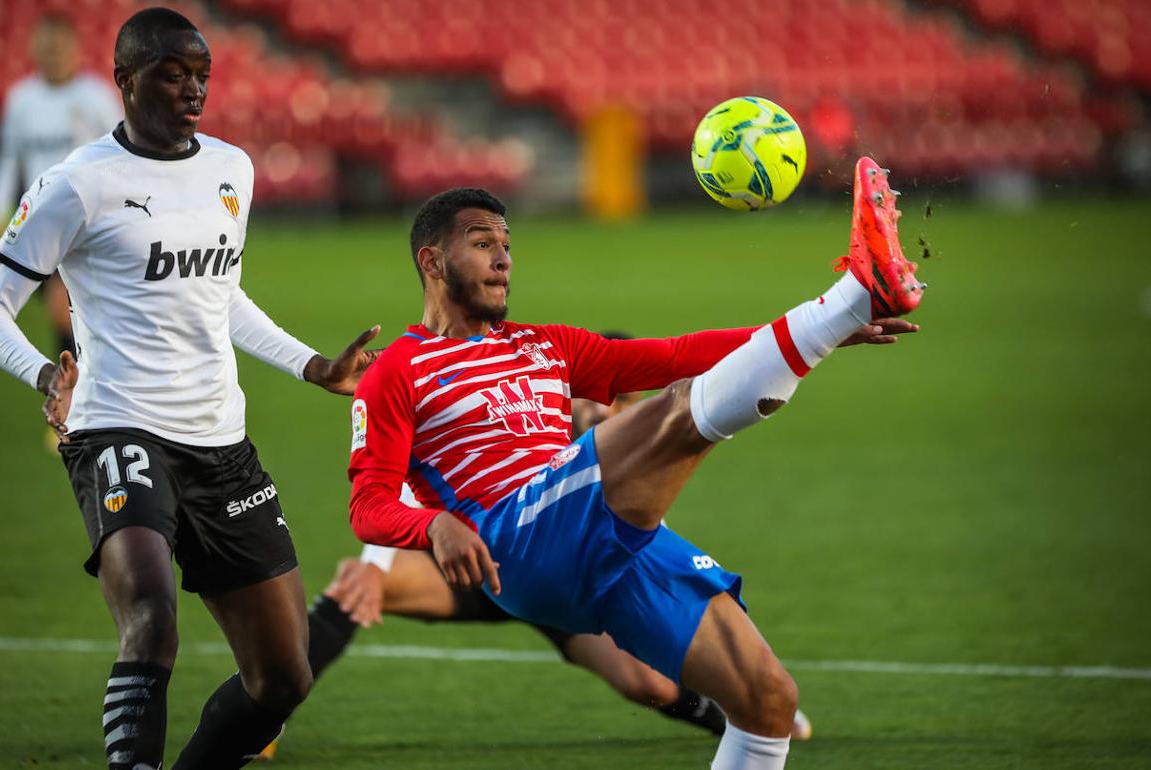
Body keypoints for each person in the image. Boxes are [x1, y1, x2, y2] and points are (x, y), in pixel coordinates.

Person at [345, 173, 922, 769]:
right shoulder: (397, 371)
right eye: (483, 244)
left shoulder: (545, 345)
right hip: (515, 537)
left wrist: (828, 338)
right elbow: (368, 504)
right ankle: (854, 292)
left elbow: (675, 354)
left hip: (601, 540)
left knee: (767, 701)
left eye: (507, 245)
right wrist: (434, 525)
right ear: (432, 261)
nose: (504, 260)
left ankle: (845, 307)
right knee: (677, 409)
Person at [0, 8, 378, 769]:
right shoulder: (78, 184)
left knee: (284, 677)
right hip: (116, 427)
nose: (193, 89)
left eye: (201, 75)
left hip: (221, 442)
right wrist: (43, 373)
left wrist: (311, 365)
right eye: (172, 74)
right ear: (125, 80)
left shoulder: (231, 168)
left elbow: (221, 296)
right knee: (151, 616)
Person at [260, 354, 809, 761]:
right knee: (358, 584)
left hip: (564, 586)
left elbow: (638, 544)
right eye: (595, 396)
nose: (604, 408)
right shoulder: (524, 422)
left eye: (620, 402)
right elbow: (403, 487)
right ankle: (266, 717)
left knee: (650, 686)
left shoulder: (622, 459)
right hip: (476, 566)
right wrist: (374, 567)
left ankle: (740, 711)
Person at [0, 12, 122, 363]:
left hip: (94, 221)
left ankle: (78, 385)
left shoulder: (97, 97)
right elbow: (9, 159)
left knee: (83, 313)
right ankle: (77, 385)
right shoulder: (21, 100)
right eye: (46, 48)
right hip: (43, 224)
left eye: (59, 47)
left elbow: (124, 155)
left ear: (74, 49)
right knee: (63, 312)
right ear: (34, 50)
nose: (53, 55)